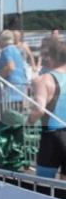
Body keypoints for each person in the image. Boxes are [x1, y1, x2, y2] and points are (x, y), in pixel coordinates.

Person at [29, 38, 66, 180]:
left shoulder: (44, 79)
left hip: (53, 136)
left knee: (43, 184)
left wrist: (28, 122)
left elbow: (39, 109)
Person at [0, 29, 28, 116]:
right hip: (19, 90)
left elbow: (10, 66)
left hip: (9, 93)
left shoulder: (6, 50)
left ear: (2, 41)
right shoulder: (16, 50)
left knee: (7, 120)